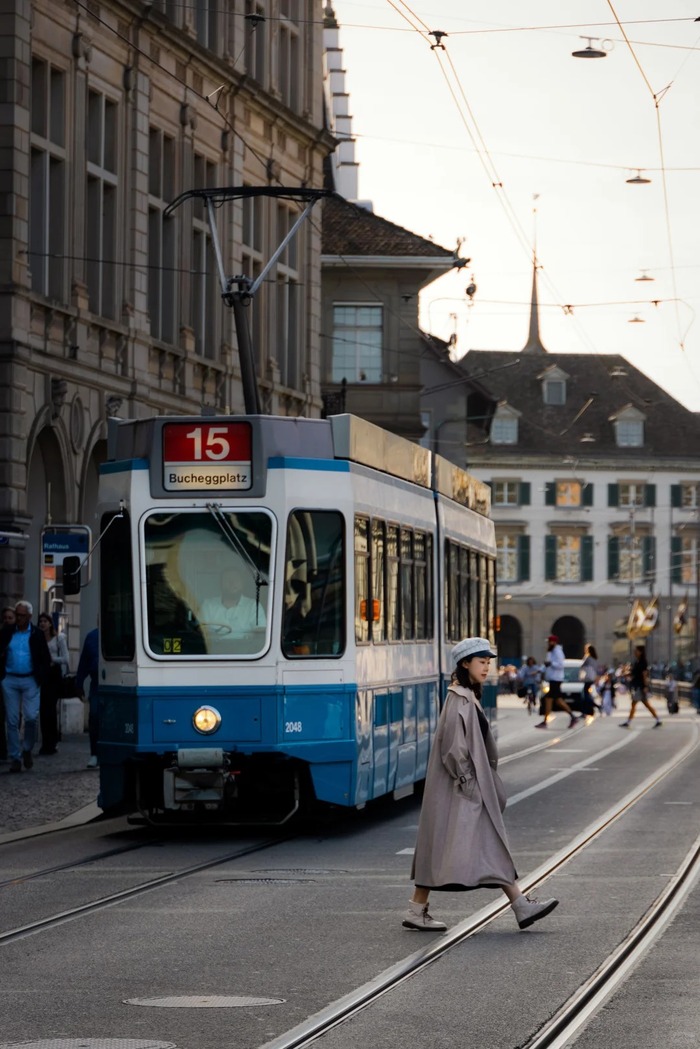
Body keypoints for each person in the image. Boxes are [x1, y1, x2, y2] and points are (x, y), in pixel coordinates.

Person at [403, 636, 559, 933]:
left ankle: (417, 910)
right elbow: (453, 747)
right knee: (478, 842)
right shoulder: (459, 699)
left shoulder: (466, 696)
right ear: (465, 664)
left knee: (445, 846)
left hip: (464, 788)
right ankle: (520, 905)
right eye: (481, 662)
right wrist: (468, 782)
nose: (487, 668)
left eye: (488, 662)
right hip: (463, 789)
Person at [0, 600, 52, 772]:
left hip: (30, 679)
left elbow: (45, 658)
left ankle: (27, 748)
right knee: (12, 720)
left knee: (31, 717)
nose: (19, 618)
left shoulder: (36, 634)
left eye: (22, 615)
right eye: (17, 614)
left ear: (29, 616)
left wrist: (40, 677)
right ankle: (15, 757)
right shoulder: (7, 632)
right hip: (10, 679)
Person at [198, 565, 267, 635]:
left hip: (245, 643)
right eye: (228, 579)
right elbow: (200, 633)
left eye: (236, 580)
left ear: (242, 584)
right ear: (221, 584)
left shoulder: (253, 606)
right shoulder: (208, 605)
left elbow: (260, 632)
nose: (232, 583)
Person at [37, 612, 70, 755]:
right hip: (43, 675)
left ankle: (52, 741)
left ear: (50, 623)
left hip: (54, 676)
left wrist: (52, 659)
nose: (42, 624)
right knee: (43, 709)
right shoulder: (38, 639)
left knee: (50, 708)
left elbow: (66, 658)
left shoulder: (59, 638)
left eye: (45, 621)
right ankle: (46, 742)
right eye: (41, 621)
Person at [536, 634, 578, 729]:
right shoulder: (550, 652)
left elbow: (560, 665)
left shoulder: (558, 652)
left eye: (549, 642)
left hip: (556, 679)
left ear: (554, 642)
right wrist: (540, 670)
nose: (548, 643)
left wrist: (551, 663)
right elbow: (547, 664)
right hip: (552, 679)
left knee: (549, 699)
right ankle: (572, 717)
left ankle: (545, 721)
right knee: (558, 701)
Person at [620, 644, 662, 728]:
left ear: (641, 652)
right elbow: (634, 673)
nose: (635, 652)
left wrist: (645, 686)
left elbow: (644, 675)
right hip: (637, 686)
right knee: (645, 704)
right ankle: (658, 720)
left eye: (636, 651)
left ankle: (628, 722)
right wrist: (625, 673)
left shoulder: (643, 662)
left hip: (640, 686)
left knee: (634, 703)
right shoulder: (637, 662)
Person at [76, 627, 100, 768]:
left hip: (115, 679)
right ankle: (95, 754)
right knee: (94, 717)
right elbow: (84, 661)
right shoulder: (92, 636)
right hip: (96, 682)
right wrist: (79, 683)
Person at [579, 643, 602, 717]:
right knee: (587, 695)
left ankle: (594, 707)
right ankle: (588, 710)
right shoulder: (594, 659)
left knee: (585, 696)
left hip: (587, 679)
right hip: (592, 678)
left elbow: (582, 665)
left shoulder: (588, 658)